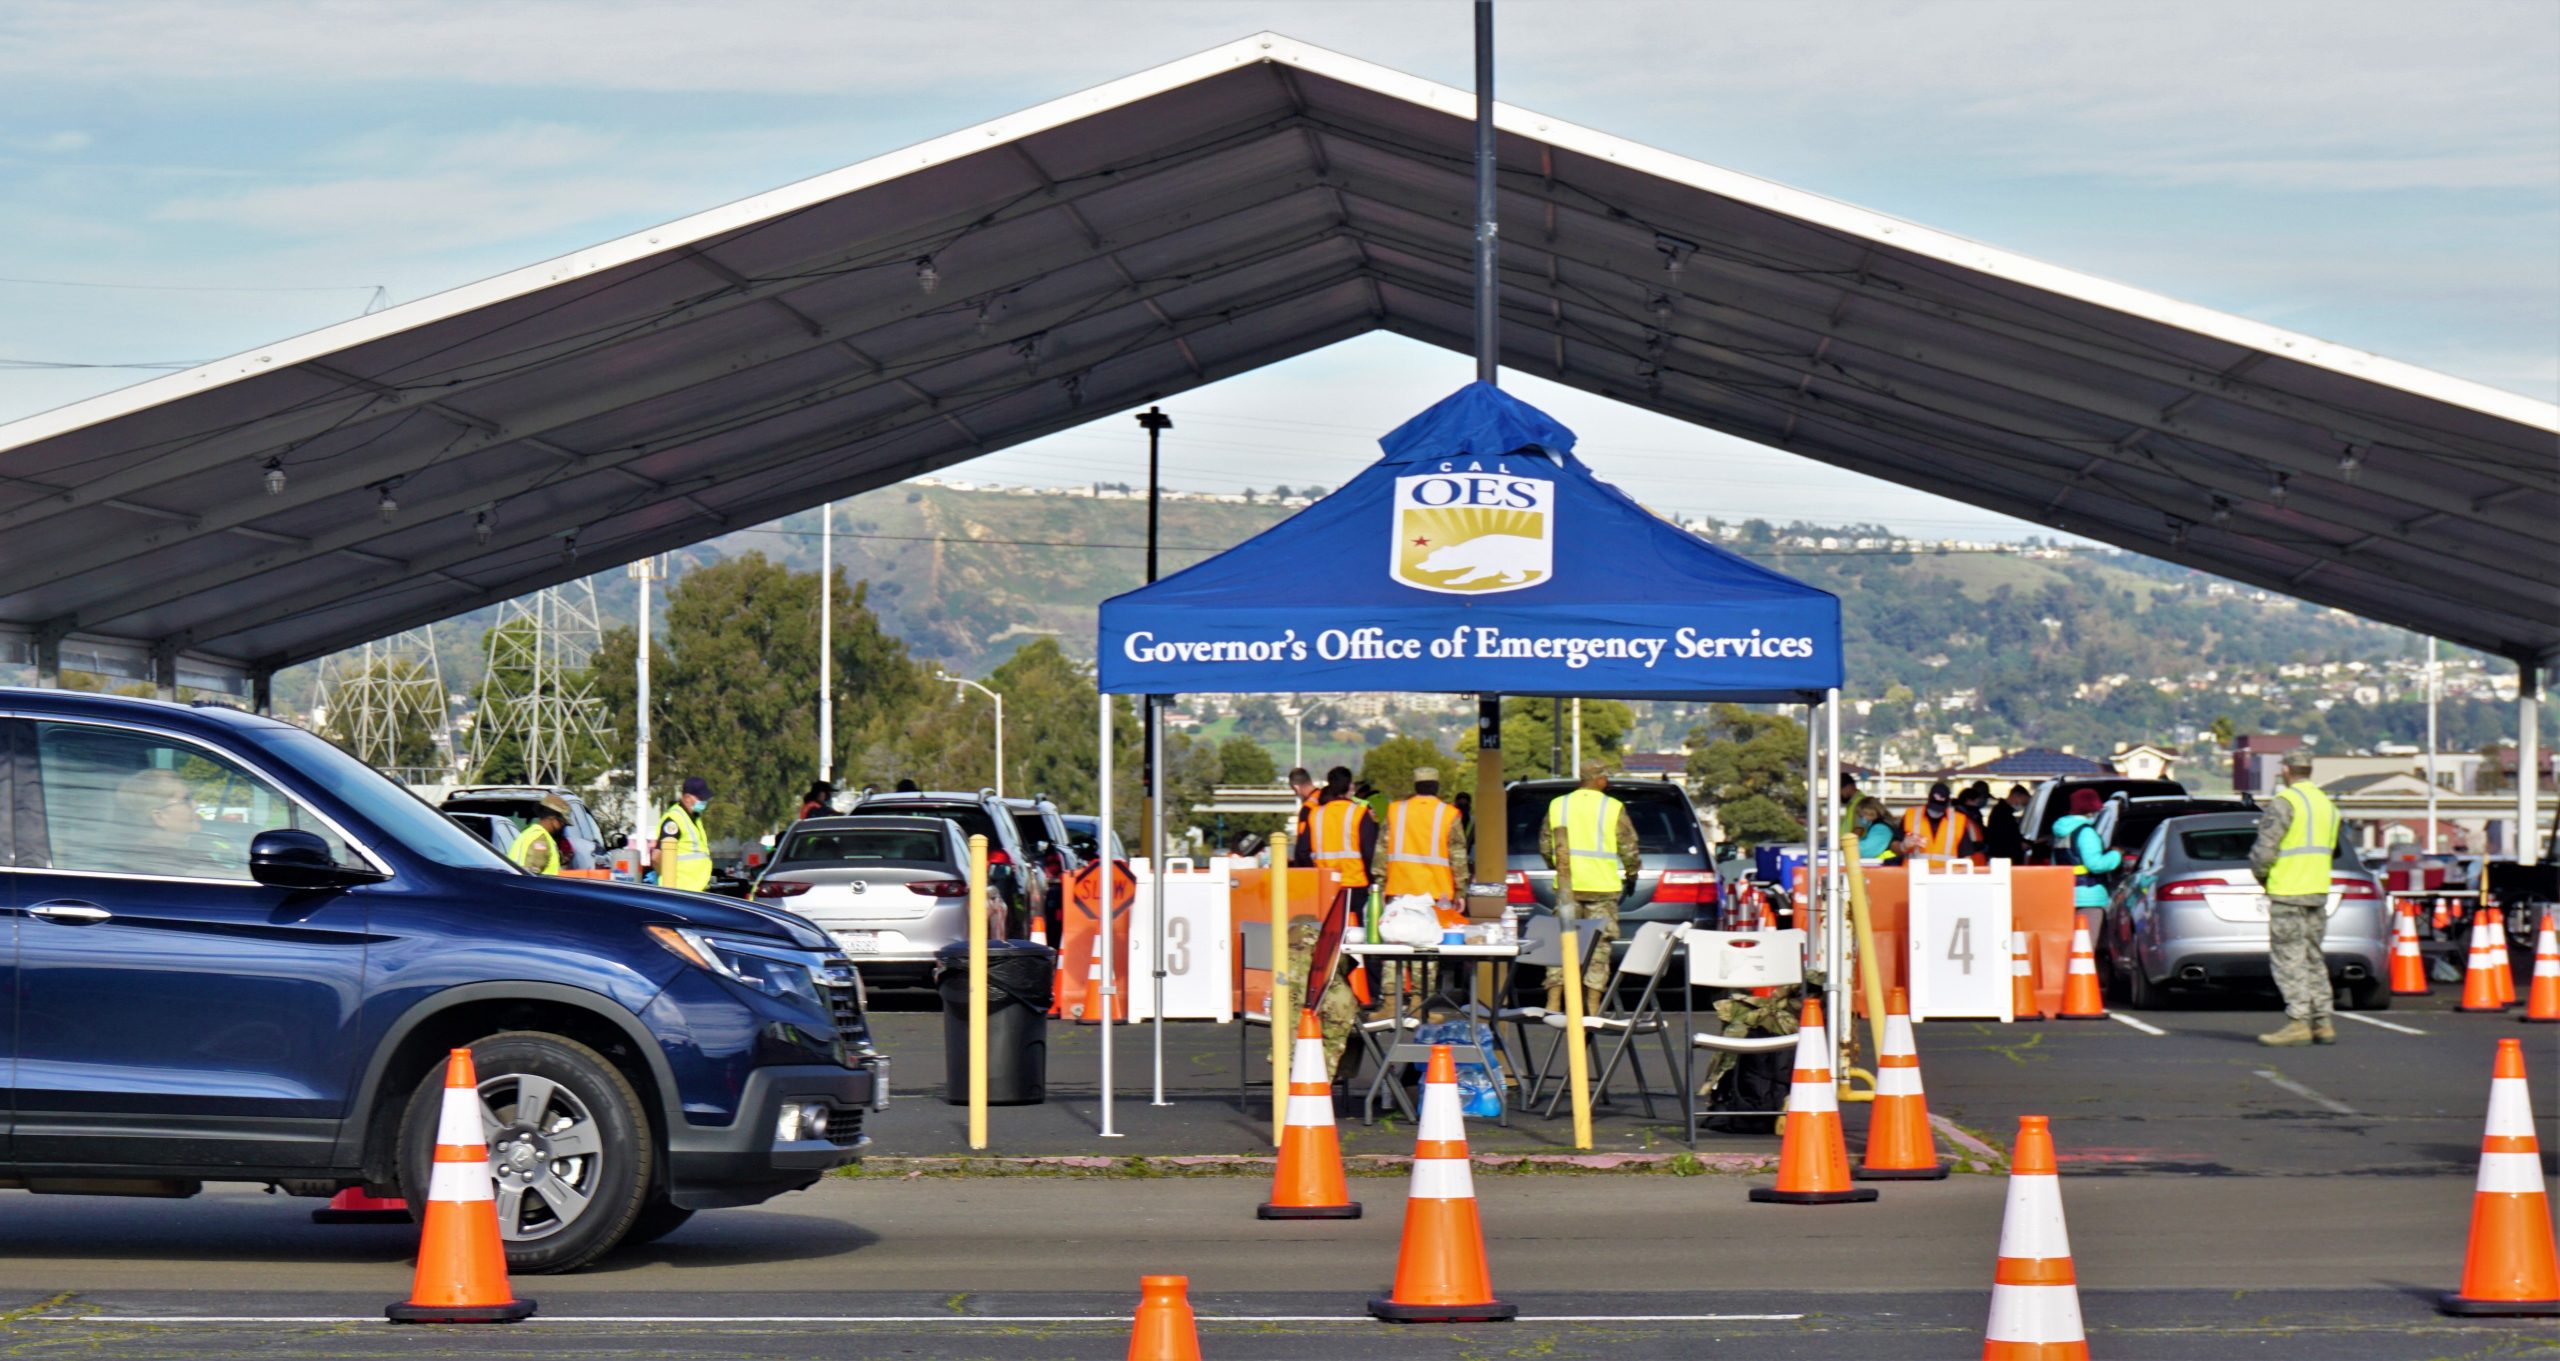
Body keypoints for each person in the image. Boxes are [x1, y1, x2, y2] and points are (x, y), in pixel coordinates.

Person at [2249, 752, 2342, 1047]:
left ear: (2286, 770)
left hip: (2289, 890)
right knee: (2314, 956)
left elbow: (2265, 851)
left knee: (2289, 958)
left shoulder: (2286, 802)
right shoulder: (2327, 805)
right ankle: (2322, 1022)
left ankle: (2299, 1022)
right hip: (2317, 889)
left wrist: (2262, 876)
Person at [1540, 762, 1641, 1012]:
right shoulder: (1612, 807)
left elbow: (1545, 844)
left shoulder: (1558, 805)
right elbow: (1628, 846)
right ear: (1599, 780)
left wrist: (1558, 866)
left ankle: (1553, 1001)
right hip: (1601, 888)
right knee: (1599, 948)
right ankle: (1593, 1006)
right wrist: (1632, 873)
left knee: (1561, 942)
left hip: (1568, 889)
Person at [1382, 767, 1470, 909]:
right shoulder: (1449, 814)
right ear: (1437, 787)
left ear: (1416, 786)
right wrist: (1460, 892)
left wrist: (1380, 887)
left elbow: (1382, 851)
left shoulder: (1395, 810)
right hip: (1438, 895)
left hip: (1398, 891)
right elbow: (1458, 857)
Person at [1307, 767, 1378, 917]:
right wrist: (1370, 878)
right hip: (1355, 883)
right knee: (1355, 932)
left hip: (1325, 885)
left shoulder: (1315, 814)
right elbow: (1367, 851)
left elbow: (1302, 851)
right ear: (1349, 786)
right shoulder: (1359, 813)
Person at [120, 767, 219, 872]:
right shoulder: (157, 865)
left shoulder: (185, 853)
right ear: (160, 817)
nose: (196, 805)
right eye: (185, 800)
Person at [2051, 788, 2120, 912]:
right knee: (2089, 931)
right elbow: (2096, 865)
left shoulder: (2061, 832)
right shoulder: (2086, 833)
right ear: (2090, 811)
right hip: (2090, 897)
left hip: (2065, 895)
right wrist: (2116, 855)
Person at [1897, 780, 1984, 870]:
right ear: (1928, 800)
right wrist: (1903, 846)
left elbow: (1966, 857)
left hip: (1945, 880)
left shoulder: (1958, 821)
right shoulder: (1911, 815)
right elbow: (1894, 846)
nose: (1935, 812)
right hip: (1914, 877)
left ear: (1947, 804)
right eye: (1934, 807)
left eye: (1939, 809)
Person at [655, 776, 715, 893]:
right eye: (701, 799)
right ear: (687, 798)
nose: (704, 802)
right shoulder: (674, 821)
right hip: (679, 892)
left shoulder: (695, 819)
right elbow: (657, 857)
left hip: (693, 891)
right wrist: (669, 883)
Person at [510, 794, 572, 874]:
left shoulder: (529, 832)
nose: (563, 827)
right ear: (554, 820)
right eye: (563, 823)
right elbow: (533, 874)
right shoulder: (540, 839)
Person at [1985, 783, 2031, 862]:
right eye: (2023, 803)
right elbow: (2004, 837)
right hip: (2003, 858)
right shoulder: (2001, 813)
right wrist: (2019, 845)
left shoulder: (2004, 812)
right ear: (2016, 796)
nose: (2022, 806)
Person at [1286, 766, 1320, 868]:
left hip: (1313, 866)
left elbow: (1303, 848)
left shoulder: (1307, 808)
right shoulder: (1325, 798)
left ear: (1296, 787)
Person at [1853, 797, 1898, 863]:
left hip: (1886, 868)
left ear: (1869, 813)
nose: (1859, 818)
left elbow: (1865, 850)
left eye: (1860, 815)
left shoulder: (1881, 829)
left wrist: (1848, 847)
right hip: (1887, 866)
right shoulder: (1881, 826)